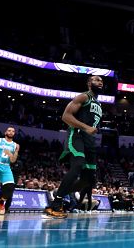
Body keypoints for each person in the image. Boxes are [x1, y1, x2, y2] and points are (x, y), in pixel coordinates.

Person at [44, 75, 104, 219]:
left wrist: (91, 130)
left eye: (102, 81)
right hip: (77, 135)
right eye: (97, 80)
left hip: (90, 141)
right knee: (77, 165)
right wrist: (86, 127)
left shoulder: (99, 104)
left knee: (89, 179)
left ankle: (58, 194)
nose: (100, 82)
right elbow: (66, 116)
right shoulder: (84, 97)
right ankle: (56, 204)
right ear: (89, 83)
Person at [0, 126, 20, 215]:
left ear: (14, 134)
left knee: (10, 187)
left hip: (6, 167)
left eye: (13, 131)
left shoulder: (16, 145)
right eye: (9, 130)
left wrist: (11, 154)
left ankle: (1, 202)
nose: (11, 132)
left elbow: (13, 160)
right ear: (5, 132)